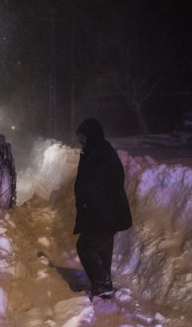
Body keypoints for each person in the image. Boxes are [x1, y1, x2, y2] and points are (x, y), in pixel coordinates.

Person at [73, 118, 132, 299]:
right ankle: (104, 285)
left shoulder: (100, 155)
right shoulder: (97, 151)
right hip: (106, 213)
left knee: (85, 246)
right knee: (103, 248)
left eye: (82, 137)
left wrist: (90, 202)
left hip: (104, 213)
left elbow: (100, 183)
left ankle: (103, 282)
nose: (80, 141)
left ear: (91, 136)